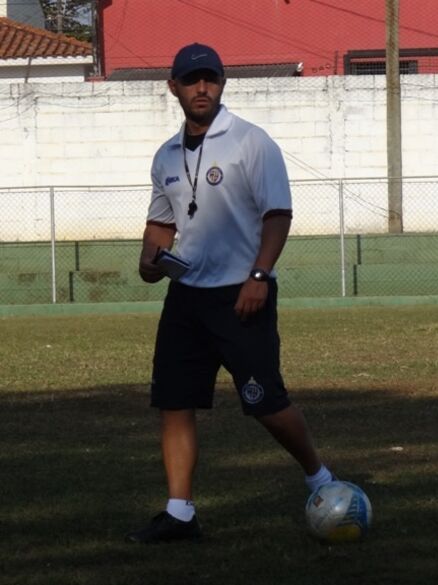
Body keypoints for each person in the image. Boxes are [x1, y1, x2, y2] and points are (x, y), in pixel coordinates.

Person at [127, 43, 334, 543]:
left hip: (241, 295)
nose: (203, 88)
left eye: (211, 79)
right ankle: (179, 513)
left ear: (222, 84)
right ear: (173, 86)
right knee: (174, 401)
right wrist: (150, 260)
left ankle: (321, 479)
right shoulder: (166, 155)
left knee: (266, 403)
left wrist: (259, 277)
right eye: (192, 80)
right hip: (187, 299)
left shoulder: (250, 142)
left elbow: (277, 216)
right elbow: (161, 225)